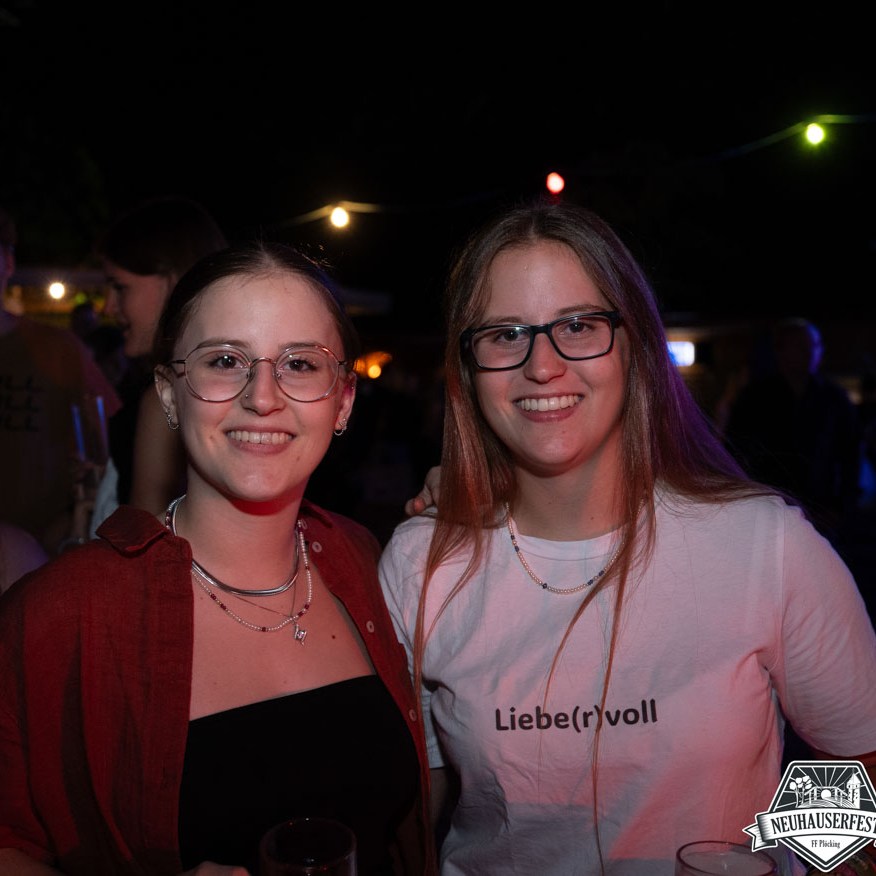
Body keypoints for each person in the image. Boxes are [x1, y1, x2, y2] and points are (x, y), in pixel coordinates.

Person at [378, 199, 876, 876]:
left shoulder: (765, 546)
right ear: (468, 368)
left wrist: (800, 862)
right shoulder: (422, 562)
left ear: (634, 345)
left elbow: (856, 753)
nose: (542, 365)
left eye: (578, 325)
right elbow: (417, 801)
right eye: (505, 333)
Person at [0, 241, 432, 875]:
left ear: (343, 401)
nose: (263, 397)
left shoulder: (365, 561)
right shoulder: (62, 612)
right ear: (169, 393)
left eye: (300, 364)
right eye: (226, 361)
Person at [95, 195, 228, 524]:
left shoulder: (167, 396)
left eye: (119, 287)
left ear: (172, 282)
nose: (108, 307)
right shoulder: (207, 384)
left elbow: (143, 537)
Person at [0, 205, 121, 555]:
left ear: (8, 262)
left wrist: (72, 524)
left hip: (41, 556)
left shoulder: (57, 348)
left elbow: (109, 446)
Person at [723, 317, 861, 546]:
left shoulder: (835, 399)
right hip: (770, 508)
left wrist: (842, 507)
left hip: (822, 511)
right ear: (780, 351)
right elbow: (737, 451)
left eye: (812, 346)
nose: (807, 352)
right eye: (798, 345)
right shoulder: (755, 398)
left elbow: (851, 456)